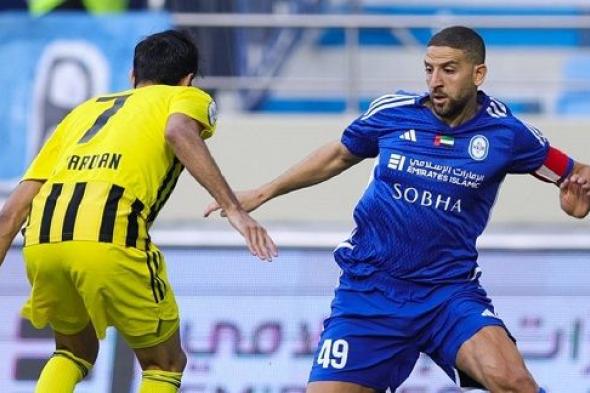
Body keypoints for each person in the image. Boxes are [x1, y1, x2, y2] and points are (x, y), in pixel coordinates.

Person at [205, 26, 590, 393]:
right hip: (370, 291)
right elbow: (338, 154)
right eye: (429, 69)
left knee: (514, 382)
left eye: (448, 70)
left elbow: (574, 175)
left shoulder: (507, 134)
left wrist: (575, 201)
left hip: (448, 295)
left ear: (479, 74)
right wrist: (265, 191)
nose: (435, 81)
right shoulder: (393, 111)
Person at [0, 29, 277, 393]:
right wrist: (235, 210)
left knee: (73, 350)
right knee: (165, 364)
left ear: (133, 78)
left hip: (42, 239)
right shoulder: (183, 98)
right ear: (188, 79)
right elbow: (178, 130)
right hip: (108, 234)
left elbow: (11, 212)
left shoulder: (83, 112)